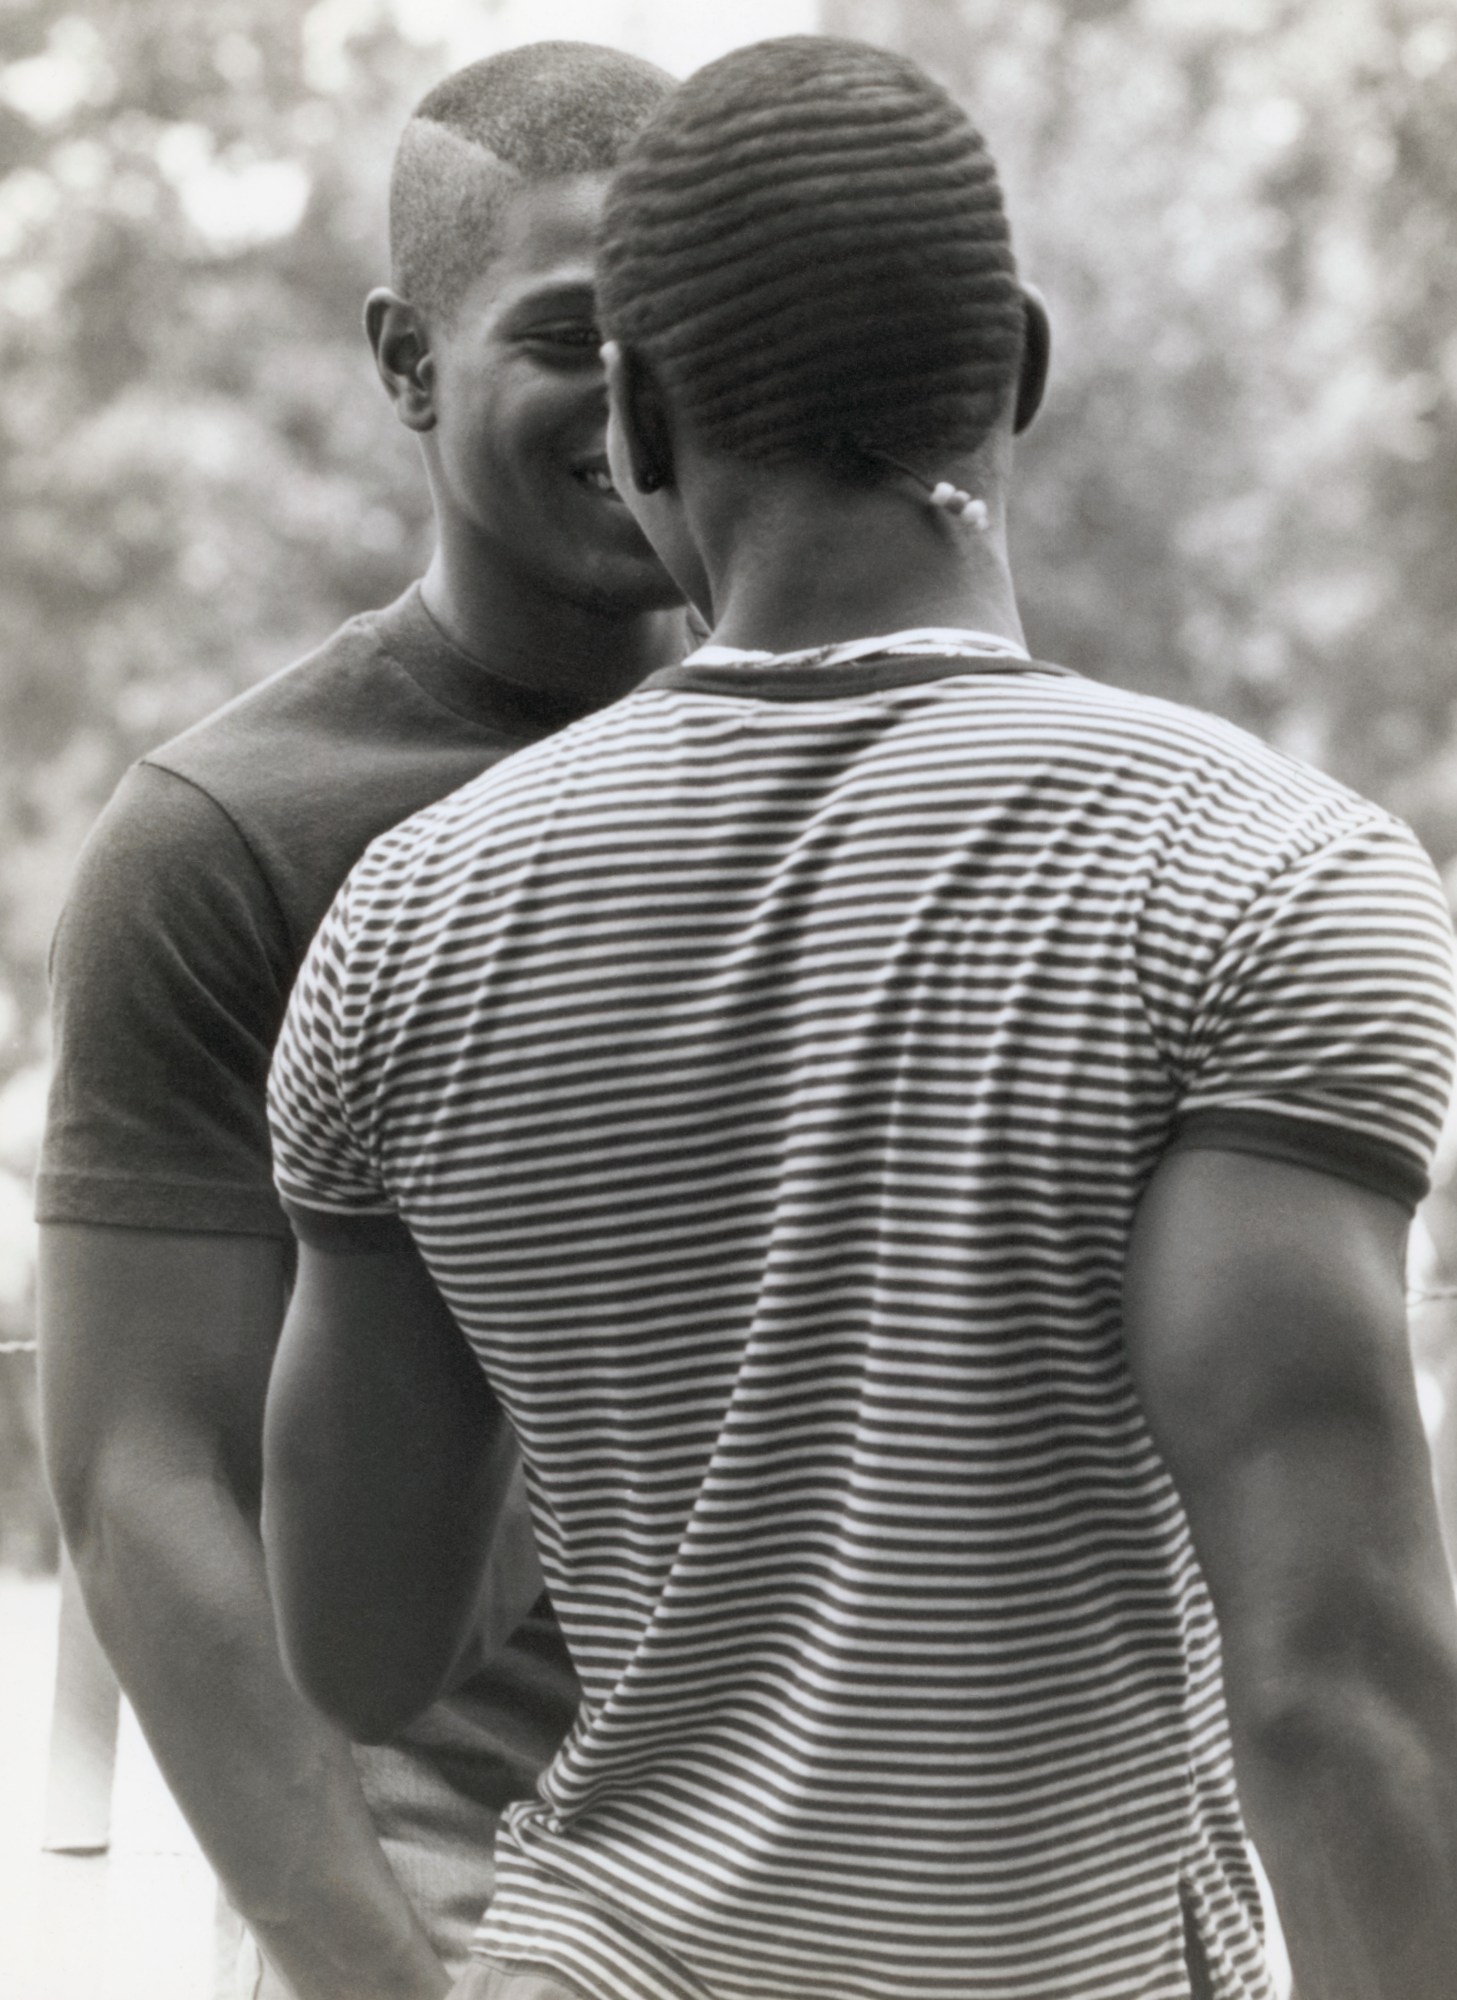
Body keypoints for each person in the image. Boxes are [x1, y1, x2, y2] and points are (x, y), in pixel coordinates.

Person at [261, 35, 1457, 2000]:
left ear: (638, 416)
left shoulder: (414, 920)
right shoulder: (1258, 873)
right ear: (1017, 367)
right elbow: (1336, 1689)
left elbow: (369, 1643)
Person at [35, 41, 685, 2000]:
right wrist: (386, 1968)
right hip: (474, 1911)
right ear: (407, 361)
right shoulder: (232, 838)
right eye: (573, 333)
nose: (644, 402)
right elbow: (144, 1476)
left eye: (691, 330)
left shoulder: (869, 769)